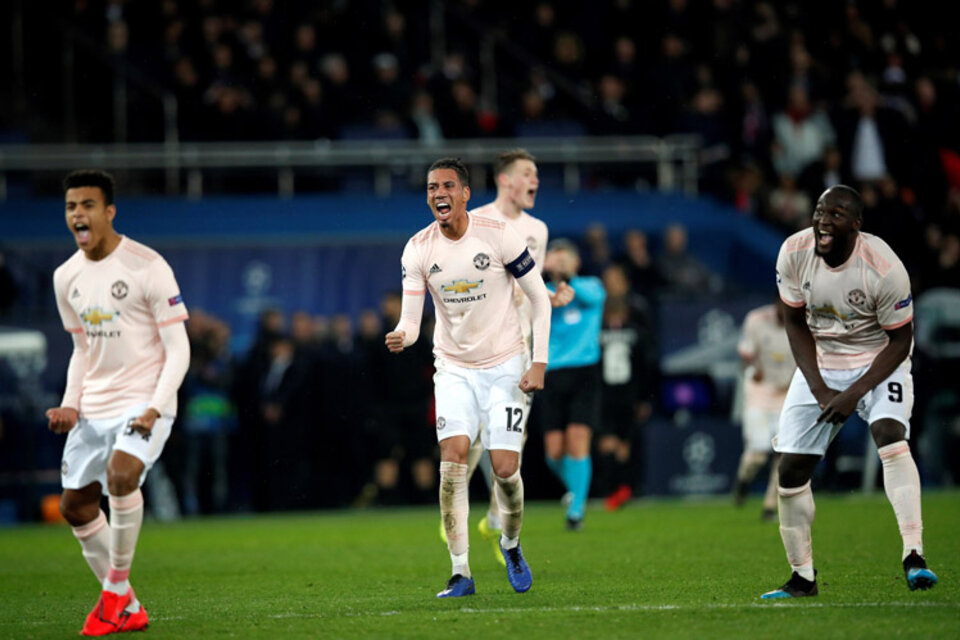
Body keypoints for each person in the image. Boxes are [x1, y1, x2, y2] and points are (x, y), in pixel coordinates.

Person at [385, 157, 552, 598]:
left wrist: (539, 361)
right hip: (454, 369)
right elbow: (412, 322)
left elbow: (540, 299)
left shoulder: (498, 236)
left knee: (505, 469)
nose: (438, 193)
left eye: (446, 186)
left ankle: (511, 544)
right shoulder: (417, 249)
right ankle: (460, 572)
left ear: (464, 195)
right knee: (453, 462)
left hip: (506, 366)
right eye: (431, 187)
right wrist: (402, 335)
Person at [763, 185, 938, 599]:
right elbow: (793, 323)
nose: (823, 220)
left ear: (856, 225)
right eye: (820, 211)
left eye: (836, 215)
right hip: (822, 362)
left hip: (879, 358)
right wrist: (822, 388)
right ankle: (802, 578)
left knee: (890, 436)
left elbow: (900, 341)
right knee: (789, 471)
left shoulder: (883, 268)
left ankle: (914, 555)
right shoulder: (794, 251)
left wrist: (853, 393)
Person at [45, 170, 190, 634]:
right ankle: (127, 605)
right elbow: (81, 349)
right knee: (75, 506)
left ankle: (111, 595)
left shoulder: (147, 266)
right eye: (71, 207)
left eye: (87, 205)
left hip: (144, 399)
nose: (78, 215)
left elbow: (179, 348)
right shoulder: (65, 277)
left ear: (109, 212)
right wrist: (70, 403)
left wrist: (156, 404)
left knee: (122, 475)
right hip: (95, 405)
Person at [462, 148, 573, 563]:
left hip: (516, 346)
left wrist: (549, 294)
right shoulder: (477, 222)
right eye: (529, 173)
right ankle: (453, 509)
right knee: (471, 434)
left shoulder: (538, 230)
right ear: (505, 180)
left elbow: (527, 283)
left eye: (537, 174)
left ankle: (493, 519)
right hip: (477, 346)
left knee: (513, 440)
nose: (536, 181)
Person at [538, 239, 606, 530]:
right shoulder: (540, 293)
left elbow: (591, 298)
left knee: (578, 441)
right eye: (556, 258)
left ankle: (575, 511)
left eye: (566, 259)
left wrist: (568, 278)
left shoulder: (590, 285)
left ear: (576, 263)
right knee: (553, 452)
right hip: (552, 373)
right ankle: (577, 490)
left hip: (584, 372)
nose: (561, 263)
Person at [733, 301, 795, 522]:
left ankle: (770, 505)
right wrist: (752, 367)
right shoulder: (756, 320)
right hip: (760, 391)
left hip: (787, 392)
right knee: (757, 454)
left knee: (784, 453)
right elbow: (745, 351)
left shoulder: (803, 322)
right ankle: (743, 481)